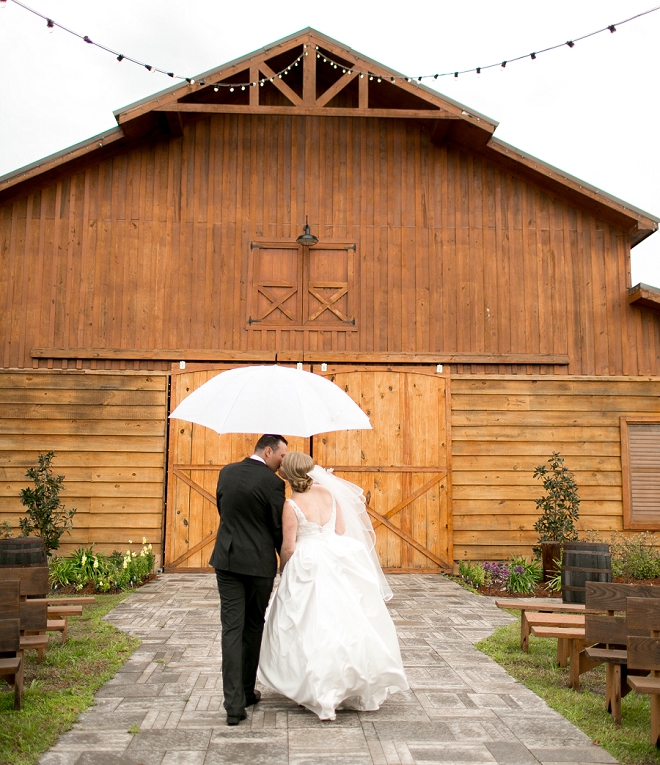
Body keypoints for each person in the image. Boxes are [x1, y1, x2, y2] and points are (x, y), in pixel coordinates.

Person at [258, 451, 409, 721]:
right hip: (336, 557)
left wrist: (283, 568)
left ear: (289, 475)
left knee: (311, 623)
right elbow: (339, 530)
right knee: (346, 618)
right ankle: (353, 678)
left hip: (308, 561)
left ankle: (319, 685)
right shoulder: (330, 495)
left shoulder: (291, 505)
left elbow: (290, 546)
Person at [209, 434, 288, 726]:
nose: (282, 464)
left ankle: (234, 705)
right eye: (281, 457)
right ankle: (245, 690)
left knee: (231, 628)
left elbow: (223, 511)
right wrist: (286, 560)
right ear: (268, 451)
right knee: (253, 626)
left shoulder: (226, 473)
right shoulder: (273, 484)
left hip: (227, 561)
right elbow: (277, 527)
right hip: (258, 566)